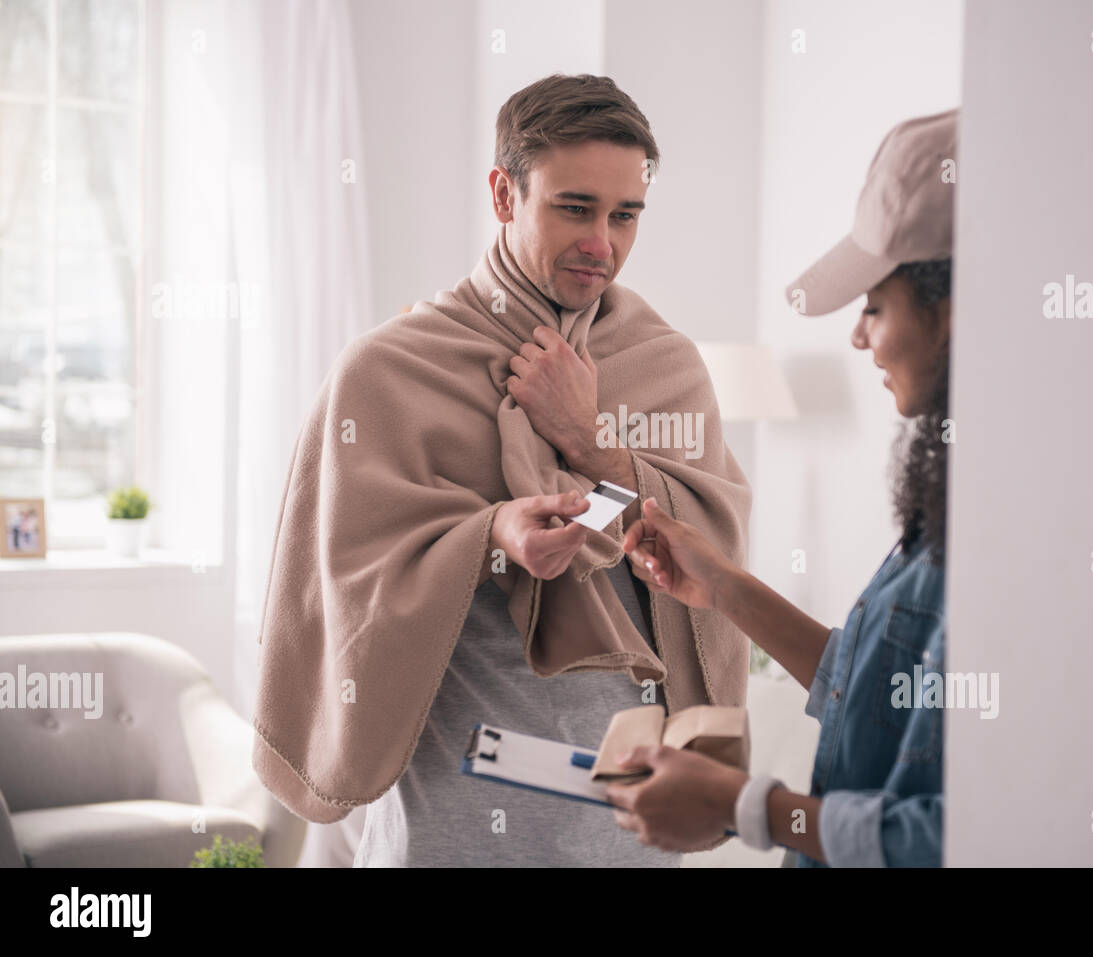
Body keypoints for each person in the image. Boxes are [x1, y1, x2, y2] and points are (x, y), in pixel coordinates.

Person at [250, 72, 752, 868]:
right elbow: (335, 579)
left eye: (626, 215)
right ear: (503, 193)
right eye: (575, 207)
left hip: (626, 810)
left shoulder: (666, 367)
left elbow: (712, 545)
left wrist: (590, 445)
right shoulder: (386, 373)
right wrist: (490, 536)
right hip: (453, 801)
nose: (604, 243)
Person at [606, 109, 957, 867]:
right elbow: (871, 692)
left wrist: (747, 808)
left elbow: (952, 838)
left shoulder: (1019, 533)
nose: (860, 337)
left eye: (874, 305)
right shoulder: (951, 494)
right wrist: (724, 585)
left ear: (954, 312)